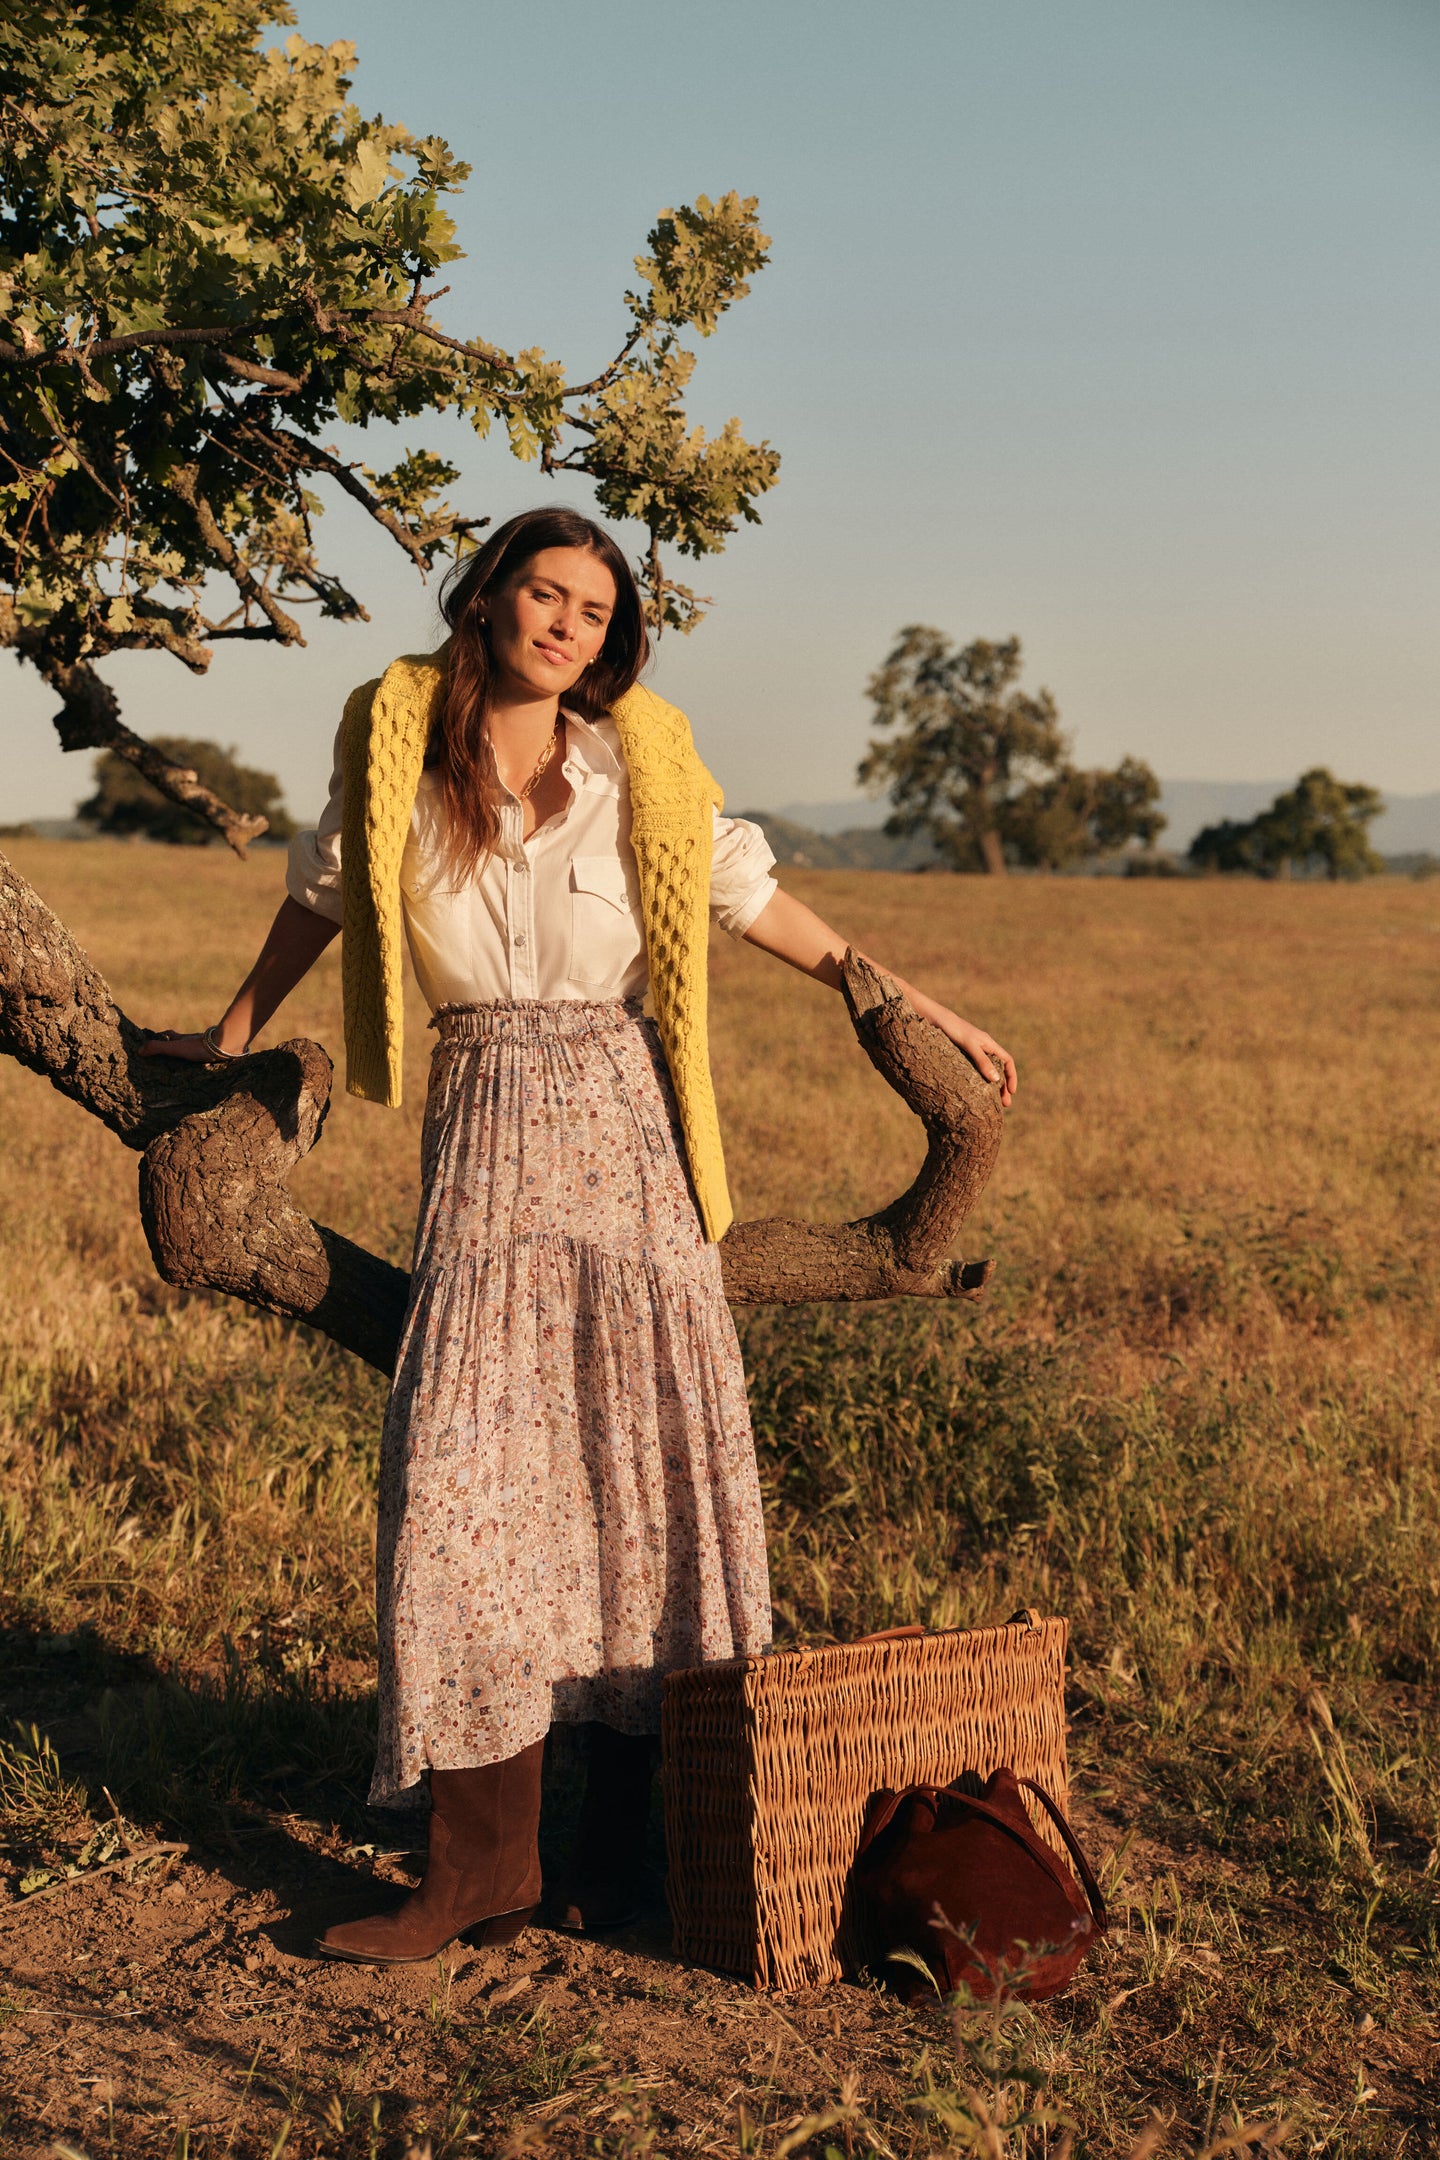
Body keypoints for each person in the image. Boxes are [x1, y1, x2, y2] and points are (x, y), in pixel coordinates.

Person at [144, 506, 1017, 1966]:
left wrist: (908, 997)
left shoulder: (641, 761)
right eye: (544, 595)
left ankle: (623, 1856)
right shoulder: (396, 743)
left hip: (623, 1128)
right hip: (482, 1120)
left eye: (593, 612)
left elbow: (750, 895)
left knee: (634, 1468)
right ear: (487, 601)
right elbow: (319, 899)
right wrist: (230, 1035)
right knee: (468, 1470)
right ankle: (475, 1861)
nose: (565, 625)